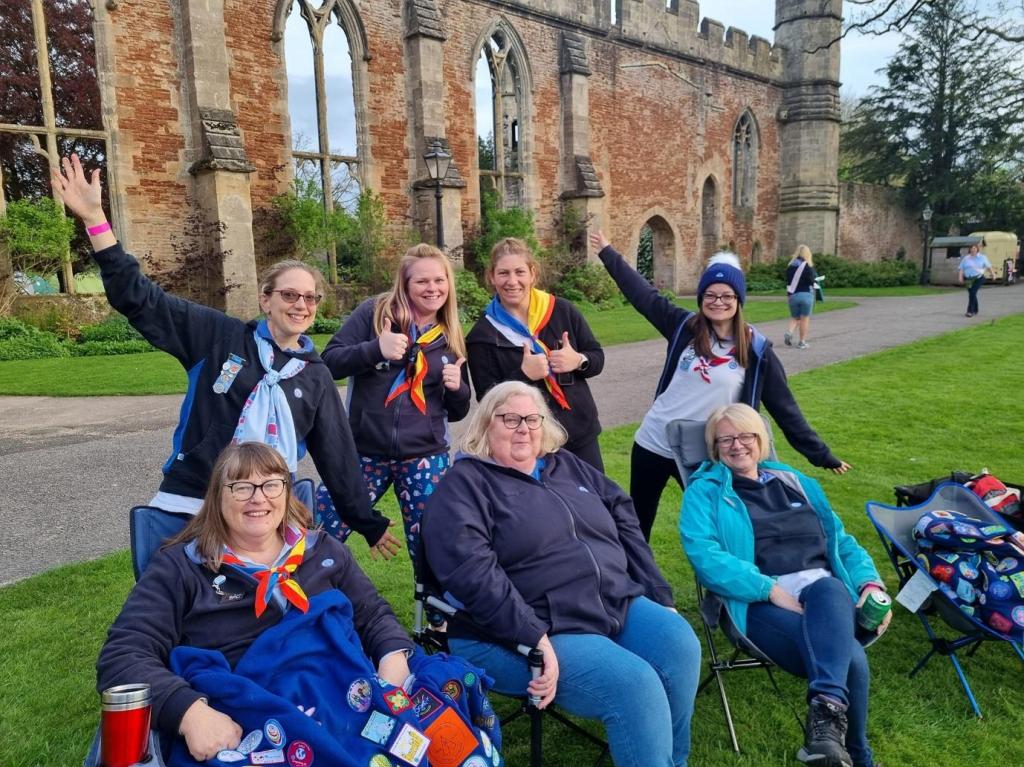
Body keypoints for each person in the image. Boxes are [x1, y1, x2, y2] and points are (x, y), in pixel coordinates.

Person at [51, 154, 399, 557]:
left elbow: (337, 457)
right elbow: (140, 299)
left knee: (273, 608)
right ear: (265, 300)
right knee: (184, 605)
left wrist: (366, 522)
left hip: (266, 512)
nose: (301, 305)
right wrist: (96, 220)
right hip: (193, 502)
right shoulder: (219, 338)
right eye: (289, 294)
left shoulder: (314, 375)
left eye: (310, 298)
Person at [422, 381, 701, 767]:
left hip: (609, 602)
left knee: (679, 642)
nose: (524, 428)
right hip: (530, 627)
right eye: (510, 419)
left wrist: (658, 593)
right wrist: (532, 636)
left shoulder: (564, 464)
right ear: (486, 426)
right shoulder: (464, 486)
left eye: (533, 419)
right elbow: (472, 572)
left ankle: (673, 760)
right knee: (635, 686)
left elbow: (623, 513)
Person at [96, 442, 414, 761]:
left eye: (271, 484)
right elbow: (124, 654)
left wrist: (392, 656)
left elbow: (373, 615)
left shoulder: (325, 552)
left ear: (286, 492)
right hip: (252, 723)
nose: (259, 497)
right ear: (218, 496)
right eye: (241, 486)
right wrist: (188, 712)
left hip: (344, 702)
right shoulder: (181, 568)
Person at [590, 229, 849, 541]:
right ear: (701, 299)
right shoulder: (684, 327)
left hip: (705, 451)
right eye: (710, 295)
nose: (718, 302)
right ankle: (637, 585)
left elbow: (785, 410)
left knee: (716, 528)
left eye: (727, 295)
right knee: (637, 527)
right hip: (653, 442)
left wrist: (821, 454)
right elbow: (643, 295)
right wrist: (607, 252)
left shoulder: (756, 350)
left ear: (738, 300)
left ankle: (723, 585)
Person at [681, 404, 890, 767]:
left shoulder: (794, 480)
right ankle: (855, 754)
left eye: (746, 435)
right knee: (852, 658)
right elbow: (705, 556)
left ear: (761, 440)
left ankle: (826, 726)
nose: (737, 445)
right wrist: (769, 590)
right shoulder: (705, 492)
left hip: (827, 596)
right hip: (759, 601)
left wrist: (870, 585)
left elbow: (841, 541)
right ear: (715, 447)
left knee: (829, 589)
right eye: (725, 439)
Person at [320, 244, 470, 571]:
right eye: (421, 281)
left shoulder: (451, 332)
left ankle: (435, 619)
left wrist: (457, 388)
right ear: (404, 283)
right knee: (322, 527)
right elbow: (328, 363)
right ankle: (294, 601)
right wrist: (375, 349)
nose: (432, 288)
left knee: (431, 538)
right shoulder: (374, 314)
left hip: (425, 455)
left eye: (439, 280)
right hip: (362, 451)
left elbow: (458, 410)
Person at [466, 237, 606, 471]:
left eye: (519, 272)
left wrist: (579, 360)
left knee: (593, 503)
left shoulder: (561, 310)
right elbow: (486, 398)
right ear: (491, 277)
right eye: (503, 273)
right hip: (528, 443)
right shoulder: (482, 335)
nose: (512, 281)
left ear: (532, 273)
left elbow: (596, 357)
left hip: (580, 434)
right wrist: (522, 375)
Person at [784, 244, 817, 350]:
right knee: (804, 319)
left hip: (793, 295)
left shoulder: (790, 267)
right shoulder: (808, 266)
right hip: (806, 295)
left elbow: (788, 283)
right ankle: (802, 342)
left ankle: (789, 332)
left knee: (795, 317)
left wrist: (789, 296)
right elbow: (811, 281)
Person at [958, 242, 993, 317]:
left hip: (978, 278)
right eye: (971, 248)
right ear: (969, 249)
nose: (973, 250)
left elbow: (988, 266)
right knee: (972, 294)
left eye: (974, 248)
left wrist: (993, 274)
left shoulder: (982, 257)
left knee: (973, 293)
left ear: (977, 249)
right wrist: (960, 277)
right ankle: (975, 309)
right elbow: (961, 268)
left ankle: (970, 311)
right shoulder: (966, 258)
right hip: (968, 279)